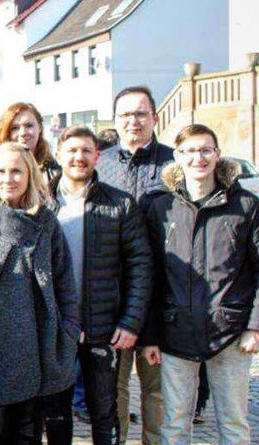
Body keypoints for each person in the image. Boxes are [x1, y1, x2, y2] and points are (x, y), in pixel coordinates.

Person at [0, 141, 80, 444]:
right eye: (2, 171)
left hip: (36, 343)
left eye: (17, 171)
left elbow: (64, 284)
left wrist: (69, 332)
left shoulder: (47, 223)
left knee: (27, 430)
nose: (9, 178)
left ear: (30, 175)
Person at [142, 124, 259, 444]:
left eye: (206, 149)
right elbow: (150, 277)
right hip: (174, 332)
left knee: (233, 426)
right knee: (175, 424)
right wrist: (150, 335)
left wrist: (254, 325)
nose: (199, 158)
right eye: (190, 151)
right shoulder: (160, 208)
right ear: (177, 156)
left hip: (230, 333)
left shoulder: (246, 205)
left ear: (218, 154)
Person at [43, 125, 153, 445]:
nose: (79, 157)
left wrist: (131, 321)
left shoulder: (120, 204)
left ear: (97, 156)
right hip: (56, 328)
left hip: (103, 328)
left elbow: (140, 266)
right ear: (59, 154)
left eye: (86, 151)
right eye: (72, 150)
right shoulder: (38, 203)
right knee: (56, 411)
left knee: (104, 411)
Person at [96, 86, 174, 445]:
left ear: (154, 118)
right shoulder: (102, 163)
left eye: (141, 113)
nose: (134, 121)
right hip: (115, 295)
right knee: (115, 393)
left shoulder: (175, 163)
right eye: (126, 114)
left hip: (164, 294)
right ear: (115, 120)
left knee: (158, 395)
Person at [0, 102, 61, 183]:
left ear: (40, 128)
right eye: (15, 128)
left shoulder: (55, 173)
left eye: (29, 125)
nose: (23, 132)